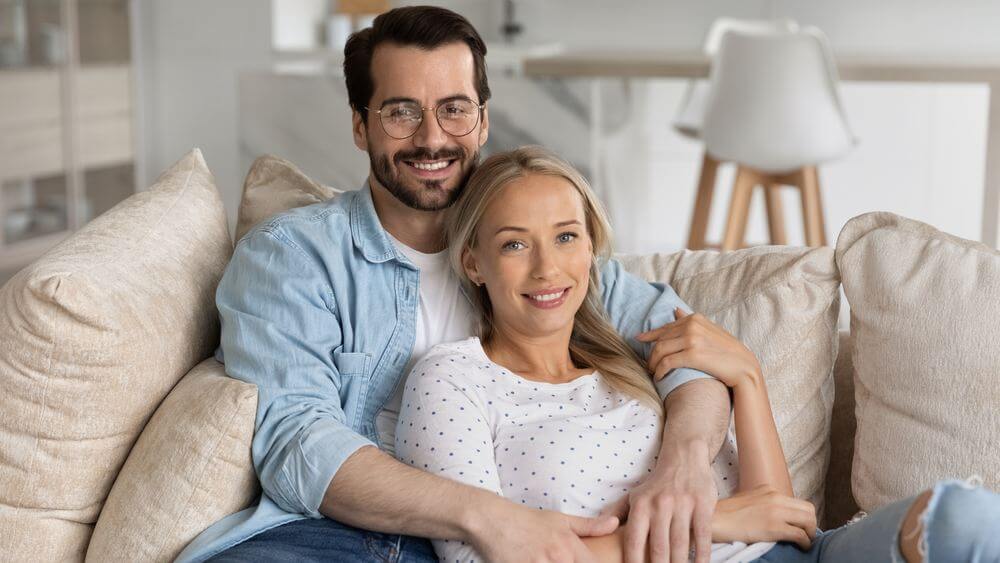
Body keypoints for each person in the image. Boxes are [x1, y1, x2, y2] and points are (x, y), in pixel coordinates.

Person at [177, 6, 734, 563]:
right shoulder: (293, 257)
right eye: (401, 113)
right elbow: (299, 444)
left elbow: (690, 349)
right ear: (359, 123)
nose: (431, 139)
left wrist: (682, 466)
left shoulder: (536, 258)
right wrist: (490, 517)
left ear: (483, 119)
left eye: (454, 110)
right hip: (342, 533)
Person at [396, 145, 1000, 563]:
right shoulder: (452, 381)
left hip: (801, 555)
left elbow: (785, 518)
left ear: (590, 249)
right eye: (513, 245)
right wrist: (712, 523)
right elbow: (474, 556)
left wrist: (748, 379)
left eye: (565, 237)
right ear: (473, 261)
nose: (548, 268)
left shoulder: (632, 353)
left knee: (964, 519)